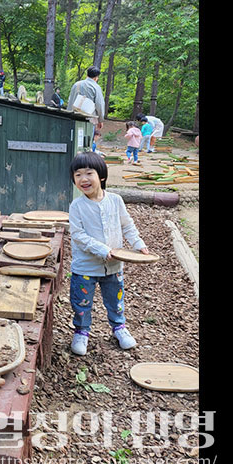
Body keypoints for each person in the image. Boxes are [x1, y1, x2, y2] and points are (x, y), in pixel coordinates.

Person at [68, 151, 150, 355]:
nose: (83, 179)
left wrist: (138, 244)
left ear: (101, 176)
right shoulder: (77, 206)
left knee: (115, 299)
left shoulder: (115, 200)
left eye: (89, 173)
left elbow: (127, 225)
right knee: (81, 302)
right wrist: (105, 250)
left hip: (114, 266)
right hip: (85, 266)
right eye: (78, 175)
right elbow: (78, 236)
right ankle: (82, 332)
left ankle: (119, 328)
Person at [66, 66, 105, 132]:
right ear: (96, 77)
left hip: (74, 117)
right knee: (87, 139)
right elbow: (99, 104)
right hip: (89, 119)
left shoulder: (76, 84)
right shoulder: (96, 87)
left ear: (87, 75)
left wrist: (68, 115)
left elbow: (70, 101)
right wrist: (100, 120)